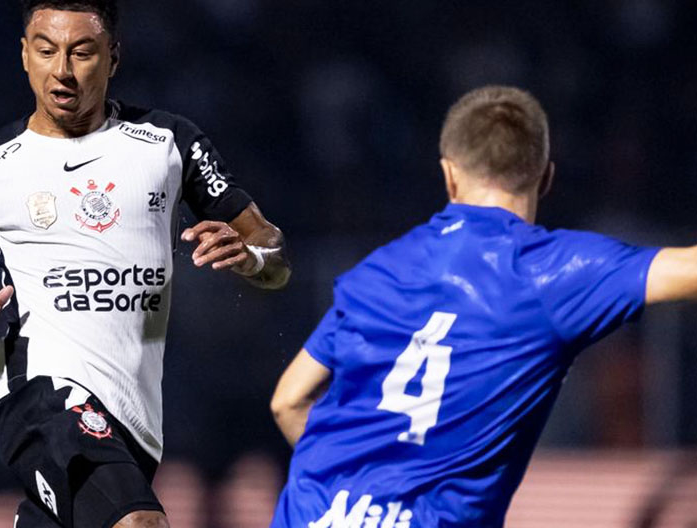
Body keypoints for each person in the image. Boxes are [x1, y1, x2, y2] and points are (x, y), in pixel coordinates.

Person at [0, 0, 290, 528]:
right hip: (43, 398)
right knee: (140, 524)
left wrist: (251, 257)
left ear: (113, 57)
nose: (63, 71)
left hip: (136, 420)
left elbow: (274, 256)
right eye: (46, 50)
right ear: (24, 55)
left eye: (82, 52)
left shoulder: (168, 144)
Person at [268, 85, 696, 528]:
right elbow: (686, 271)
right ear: (546, 177)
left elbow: (289, 400)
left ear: (449, 175)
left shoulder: (376, 271)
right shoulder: (551, 273)